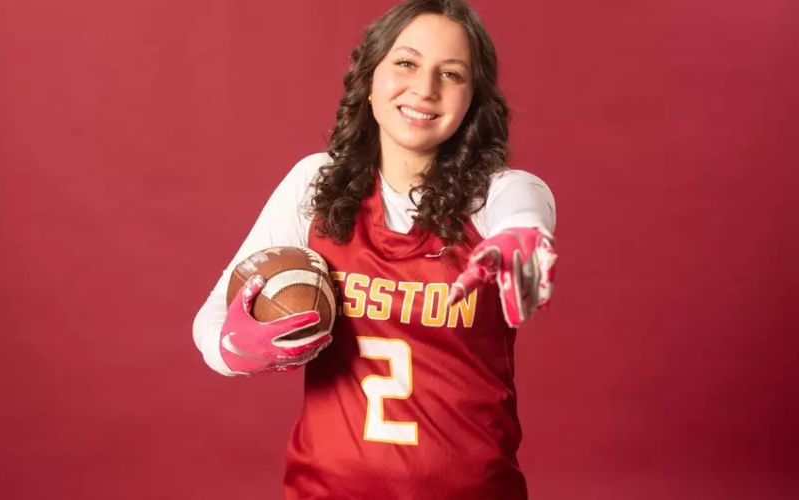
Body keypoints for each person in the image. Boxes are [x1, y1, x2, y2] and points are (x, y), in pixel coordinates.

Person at [193, 0, 558, 498]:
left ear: (474, 98)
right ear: (370, 77)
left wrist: (523, 231)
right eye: (406, 63)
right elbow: (212, 320)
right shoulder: (315, 183)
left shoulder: (497, 193)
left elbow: (527, 204)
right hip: (326, 490)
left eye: (451, 74)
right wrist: (237, 346)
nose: (425, 88)